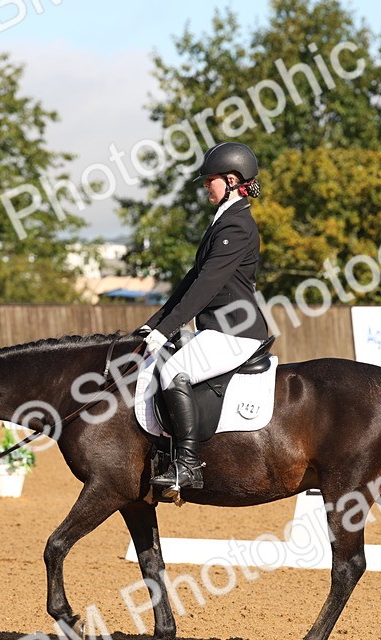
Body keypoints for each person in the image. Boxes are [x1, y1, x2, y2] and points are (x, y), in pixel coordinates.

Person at [137, 141, 270, 497]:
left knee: (172, 372)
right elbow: (191, 280)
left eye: (210, 180)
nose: (205, 186)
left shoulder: (238, 225)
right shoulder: (224, 220)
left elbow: (208, 285)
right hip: (219, 328)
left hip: (235, 332)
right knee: (159, 364)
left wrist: (166, 330)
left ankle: (188, 465)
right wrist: (155, 324)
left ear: (230, 180)